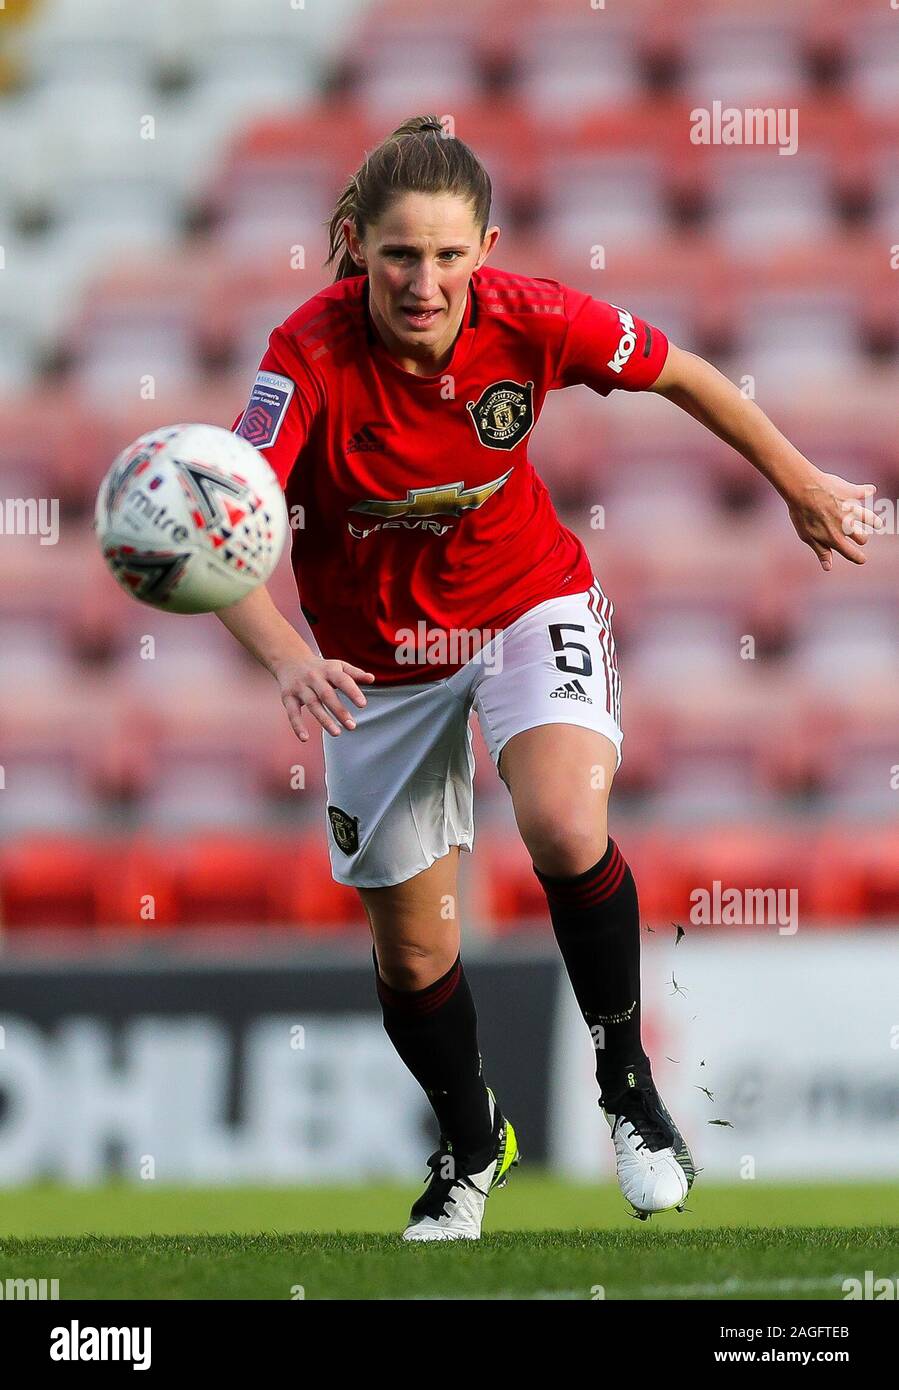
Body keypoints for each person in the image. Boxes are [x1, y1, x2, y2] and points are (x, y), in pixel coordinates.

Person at [220, 115, 881, 1240]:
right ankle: (470, 1144)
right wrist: (287, 653)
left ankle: (627, 1092)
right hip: (371, 663)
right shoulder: (305, 356)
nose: (421, 282)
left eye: (444, 255)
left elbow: (681, 371)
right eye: (395, 255)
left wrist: (799, 480)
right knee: (414, 946)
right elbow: (220, 529)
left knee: (565, 826)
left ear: (483, 247)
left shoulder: (533, 319)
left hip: (526, 603)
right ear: (350, 243)